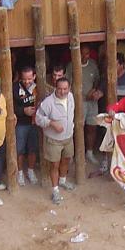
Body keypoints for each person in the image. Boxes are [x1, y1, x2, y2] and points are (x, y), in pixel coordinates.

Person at [34, 73, 75, 205]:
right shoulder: (48, 102)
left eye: (65, 89)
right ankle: (55, 190)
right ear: (55, 88)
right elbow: (38, 118)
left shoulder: (71, 97)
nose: (62, 92)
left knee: (66, 159)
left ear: (69, 88)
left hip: (68, 137)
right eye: (60, 89)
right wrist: (52, 123)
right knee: (54, 165)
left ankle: (62, 181)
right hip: (53, 140)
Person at [13, 66, 39, 185]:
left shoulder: (38, 87)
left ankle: (30, 171)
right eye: (24, 79)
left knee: (33, 148)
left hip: (34, 123)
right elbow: (10, 106)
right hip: (20, 124)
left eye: (29, 79)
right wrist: (23, 111)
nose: (27, 81)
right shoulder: (14, 88)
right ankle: (20, 173)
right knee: (19, 149)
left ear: (34, 76)